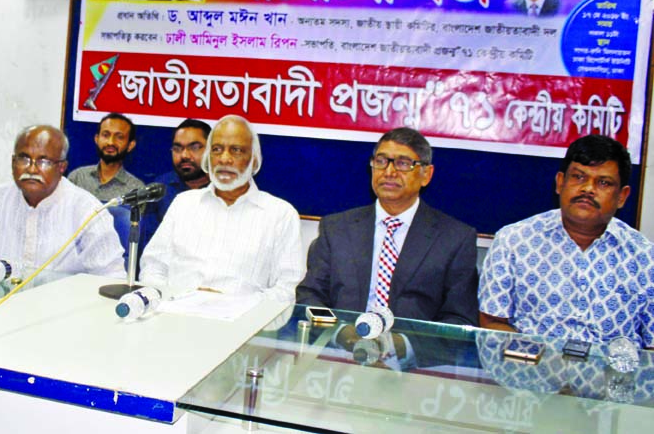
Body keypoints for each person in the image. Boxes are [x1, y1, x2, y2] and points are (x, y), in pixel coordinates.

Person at [479, 135, 654, 348]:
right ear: (560, 183)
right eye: (579, 177)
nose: (588, 189)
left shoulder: (645, 257)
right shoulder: (513, 241)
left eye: (603, 183)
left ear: (622, 197)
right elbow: (491, 322)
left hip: (612, 379)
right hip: (529, 374)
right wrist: (538, 361)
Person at [296, 128, 478, 325]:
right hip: (340, 347)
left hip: (415, 353)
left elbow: (460, 318)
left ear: (426, 175)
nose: (389, 172)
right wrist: (336, 332)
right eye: (381, 161)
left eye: (403, 163)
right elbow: (310, 295)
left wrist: (406, 345)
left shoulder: (455, 239)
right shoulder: (336, 228)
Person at [140, 115, 304, 305]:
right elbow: (153, 267)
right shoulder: (183, 204)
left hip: (245, 327)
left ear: (254, 160)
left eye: (236, 150)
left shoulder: (280, 215)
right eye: (217, 150)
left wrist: (230, 304)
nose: (225, 159)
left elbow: (289, 290)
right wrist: (175, 297)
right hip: (177, 316)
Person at [0, 125, 124, 278]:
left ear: (62, 167)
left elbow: (110, 279)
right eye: (24, 159)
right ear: (13, 162)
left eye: (44, 161)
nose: (32, 169)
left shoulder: (87, 211)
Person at [141, 118, 211, 242]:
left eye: (194, 147)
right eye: (177, 148)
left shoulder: (225, 191)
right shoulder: (160, 189)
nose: (184, 155)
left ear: (212, 150)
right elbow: (149, 244)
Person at [68, 112, 145, 201]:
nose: (110, 142)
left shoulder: (136, 189)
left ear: (130, 145)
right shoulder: (78, 178)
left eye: (119, 137)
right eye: (105, 135)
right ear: (96, 139)